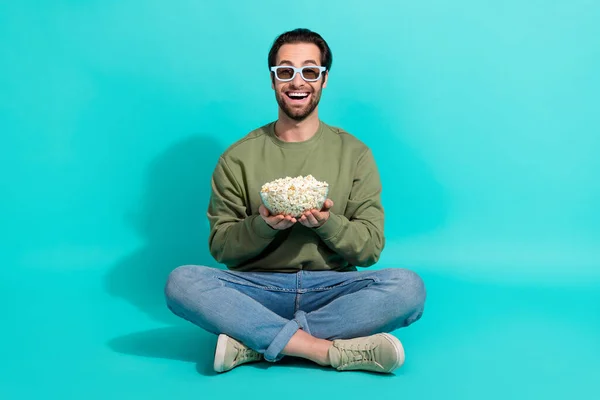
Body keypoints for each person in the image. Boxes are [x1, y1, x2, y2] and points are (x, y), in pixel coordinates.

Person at [164, 28, 426, 374]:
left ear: (324, 79)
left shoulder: (355, 154)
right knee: (181, 282)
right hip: (257, 287)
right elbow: (222, 249)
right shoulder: (237, 158)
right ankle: (323, 350)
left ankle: (256, 342)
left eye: (310, 71)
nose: (297, 82)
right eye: (285, 71)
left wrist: (326, 223)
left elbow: (369, 250)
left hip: (331, 288)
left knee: (408, 288)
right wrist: (262, 226)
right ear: (273, 80)